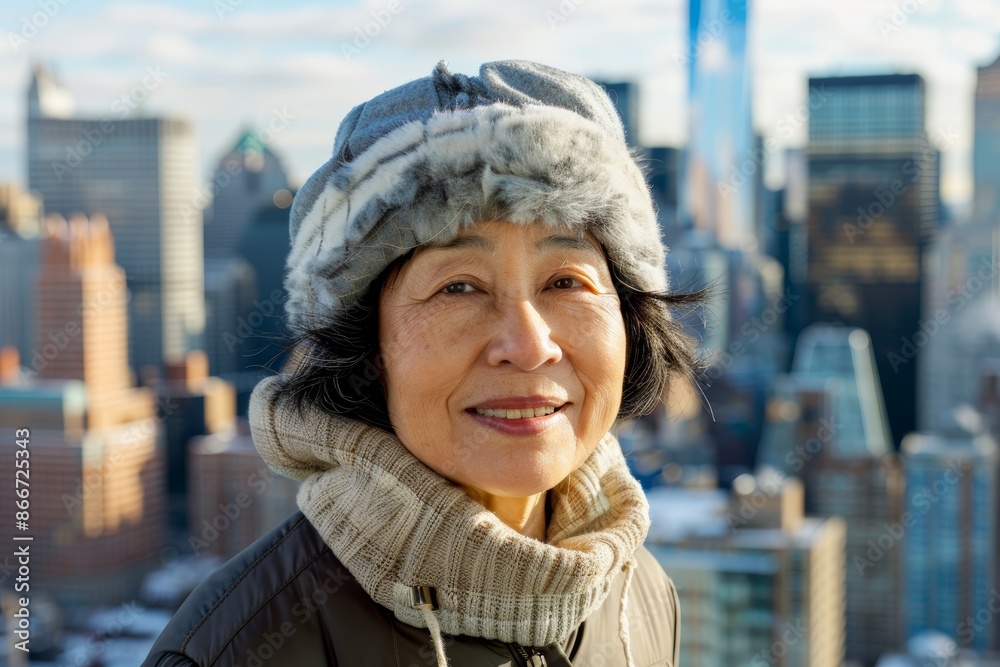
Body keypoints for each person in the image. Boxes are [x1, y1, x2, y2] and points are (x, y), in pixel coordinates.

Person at [142, 59, 702, 667]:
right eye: (458, 287)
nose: (529, 344)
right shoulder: (238, 650)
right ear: (365, 347)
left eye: (567, 282)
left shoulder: (644, 595)